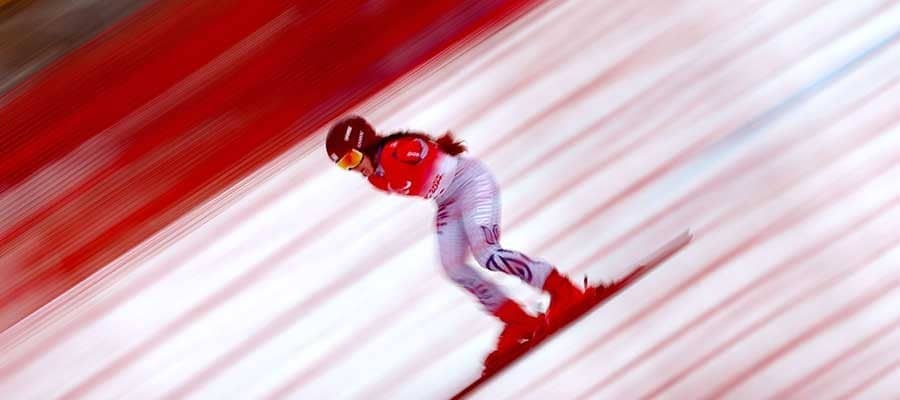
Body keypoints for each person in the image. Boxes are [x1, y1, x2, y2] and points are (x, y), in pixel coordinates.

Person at [325, 115, 597, 367]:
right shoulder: (376, 178)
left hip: (471, 182)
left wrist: (425, 152)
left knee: (487, 254)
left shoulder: (397, 150)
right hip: (447, 200)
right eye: (344, 165)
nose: (353, 169)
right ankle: (517, 320)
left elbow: (424, 151)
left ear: (366, 144)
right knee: (453, 267)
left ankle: (563, 290)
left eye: (351, 158)